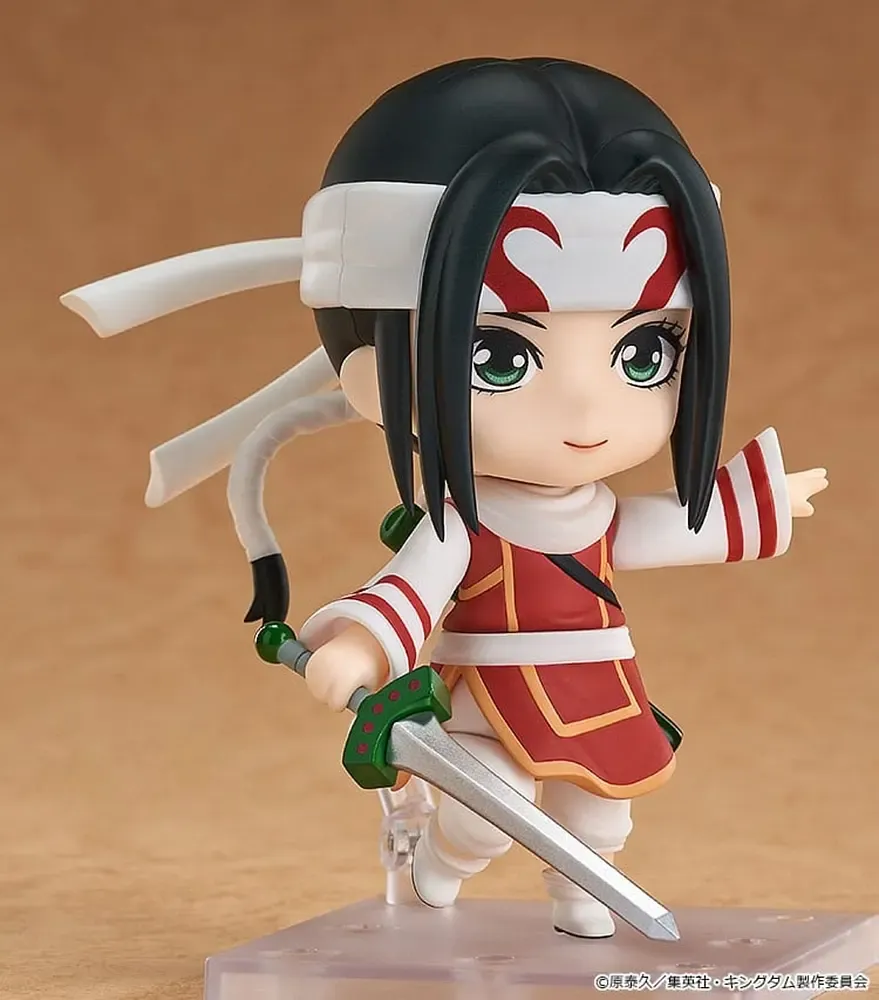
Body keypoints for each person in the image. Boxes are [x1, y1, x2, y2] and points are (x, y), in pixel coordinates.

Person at [61, 57, 828, 939]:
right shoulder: (464, 525)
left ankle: (583, 898)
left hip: (599, 681)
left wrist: (748, 507)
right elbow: (411, 587)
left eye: (644, 352)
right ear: (372, 379)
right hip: (490, 694)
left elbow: (652, 529)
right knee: (485, 810)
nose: (587, 411)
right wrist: (359, 644)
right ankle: (439, 863)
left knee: (600, 813)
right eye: (499, 358)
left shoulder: (594, 515)